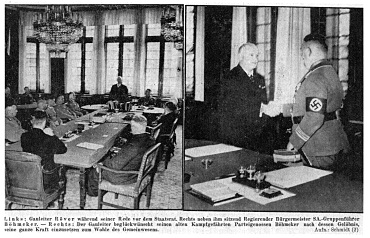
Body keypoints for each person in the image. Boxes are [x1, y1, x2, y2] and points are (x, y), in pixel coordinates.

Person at [287, 33, 350, 171]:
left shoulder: (315, 77)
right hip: (331, 142)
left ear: (308, 51)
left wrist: (295, 141)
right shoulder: (330, 72)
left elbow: (314, 117)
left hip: (318, 146)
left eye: (302, 52)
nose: (302, 57)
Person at [219, 43, 275, 152]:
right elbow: (229, 109)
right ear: (241, 57)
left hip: (258, 134)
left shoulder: (260, 79)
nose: (256, 59)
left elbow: (262, 103)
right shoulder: (230, 77)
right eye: (251, 55)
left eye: (257, 56)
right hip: (237, 135)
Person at [87, 114, 155, 196]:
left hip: (125, 176)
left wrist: (102, 162)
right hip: (138, 170)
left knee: (93, 171)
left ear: (134, 127)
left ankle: (94, 193)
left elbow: (114, 165)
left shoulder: (133, 146)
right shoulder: (150, 139)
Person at [21, 111, 67, 190]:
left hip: (30, 173)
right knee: (61, 167)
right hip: (46, 178)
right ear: (45, 122)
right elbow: (63, 149)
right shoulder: (49, 138)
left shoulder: (24, 136)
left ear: (32, 122)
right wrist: (52, 136)